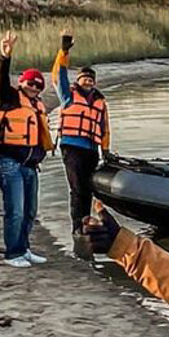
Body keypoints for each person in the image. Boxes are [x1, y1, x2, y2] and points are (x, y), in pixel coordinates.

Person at [0, 30, 54, 268]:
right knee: (15, 211)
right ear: (21, 82)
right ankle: (12, 254)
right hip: (9, 162)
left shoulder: (37, 104)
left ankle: (24, 248)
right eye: (30, 83)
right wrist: (4, 56)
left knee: (29, 211)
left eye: (38, 85)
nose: (34, 87)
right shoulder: (8, 97)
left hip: (30, 165)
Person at [52, 29, 110, 235]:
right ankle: (77, 226)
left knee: (87, 188)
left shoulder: (100, 102)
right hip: (72, 147)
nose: (88, 81)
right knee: (77, 189)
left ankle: (85, 221)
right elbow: (59, 74)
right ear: (78, 81)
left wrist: (106, 150)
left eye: (91, 79)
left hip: (91, 149)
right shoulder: (68, 96)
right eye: (85, 79)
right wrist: (64, 50)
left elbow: (104, 128)